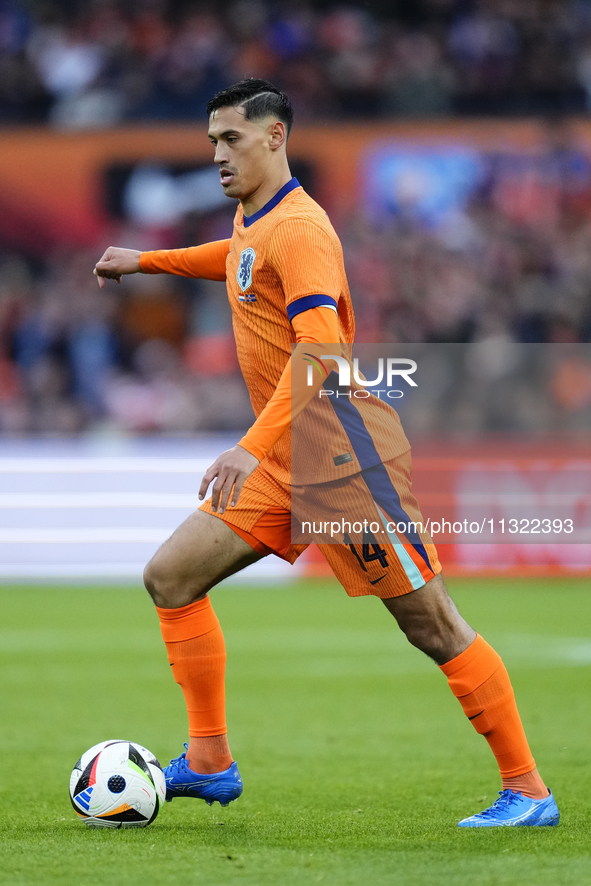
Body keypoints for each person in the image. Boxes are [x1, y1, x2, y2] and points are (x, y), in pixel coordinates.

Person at [93, 78, 559, 827]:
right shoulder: (256, 219)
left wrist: (249, 446)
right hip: (285, 459)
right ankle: (210, 761)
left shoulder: (302, 230)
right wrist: (148, 263)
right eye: (211, 140)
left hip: (341, 460)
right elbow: (237, 260)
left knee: (430, 625)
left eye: (231, 139)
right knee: (171, 577)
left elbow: (321, 350)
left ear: (275, 137)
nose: (216, 154)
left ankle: (529, 791)